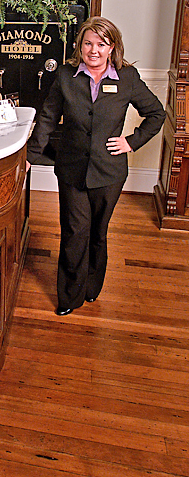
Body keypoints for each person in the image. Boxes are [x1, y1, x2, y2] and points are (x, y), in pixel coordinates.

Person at [27, 17, 165, 316]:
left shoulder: (127, 77)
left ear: (111, 47)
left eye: (101, 44)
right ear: (80, 45)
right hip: (72, 168)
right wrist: (29, 157)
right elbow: (47, 117)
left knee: (98, 233)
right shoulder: (65, 75)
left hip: (109, 171)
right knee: (75, 231)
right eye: (88, 43)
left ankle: (92, 287)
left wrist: (131, 141)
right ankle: (69, 296)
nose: (93, 50)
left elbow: (156, 113)